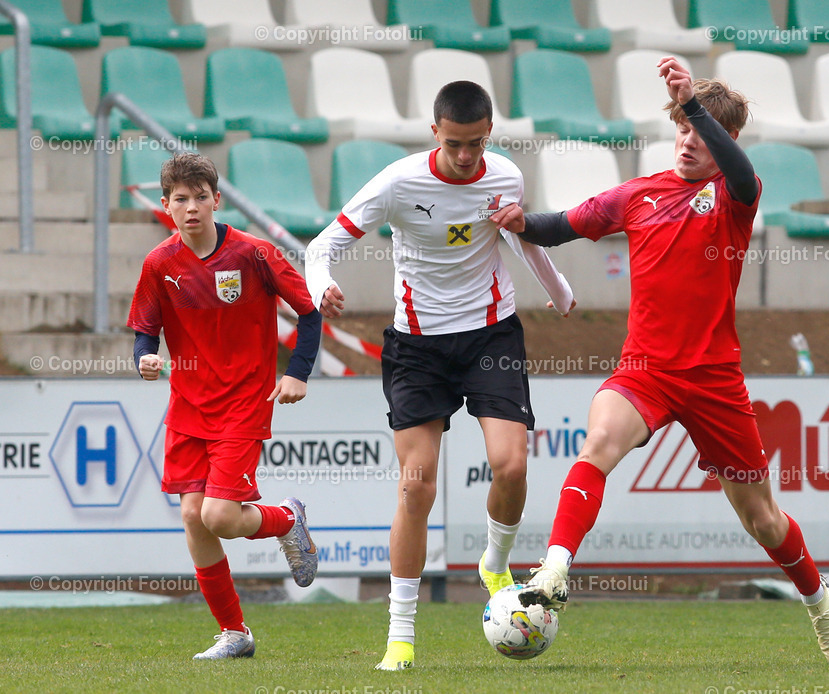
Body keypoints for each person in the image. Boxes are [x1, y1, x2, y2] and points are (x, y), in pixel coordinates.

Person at [491, 58, 829, 664]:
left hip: (714, 380)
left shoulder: (736, 195)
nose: (686, 141)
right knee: (597, 444)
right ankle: (554, 570)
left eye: (698, 131)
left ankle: (820, 603)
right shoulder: (640, 195)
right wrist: (521, 222)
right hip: (646, 370)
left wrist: (694, 104)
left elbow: (743, 172)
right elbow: (563, 225)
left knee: (763, 520)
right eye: (681, 129)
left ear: (724, 137)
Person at [304, 80, 575, 671]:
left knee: (511, 465)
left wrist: (558, 290)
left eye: (477, 143)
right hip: (418, 346)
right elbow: (320, 248)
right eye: (454, 144)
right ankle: (401, 635)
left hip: (491, 334)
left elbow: (520, 236)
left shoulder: (505, 176)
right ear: (435, 133)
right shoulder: (398, 182)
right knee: (416, 486)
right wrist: (321, 285)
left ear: (490, 133)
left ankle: (494, 563)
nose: (466, 155)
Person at [127, 152, 322, 660]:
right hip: (188, 405)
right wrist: (145, 357)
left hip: (243, 402)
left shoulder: (255, 254)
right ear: (166, 206)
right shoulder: (159, 264)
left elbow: (309, 312)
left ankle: (286, 519)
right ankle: (235, 633)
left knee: (218, 515)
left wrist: (298, 372)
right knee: (194, 516)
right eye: (180, 199)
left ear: (216, 200)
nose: (191, 207)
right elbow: (145, 331)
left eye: (200, 197)